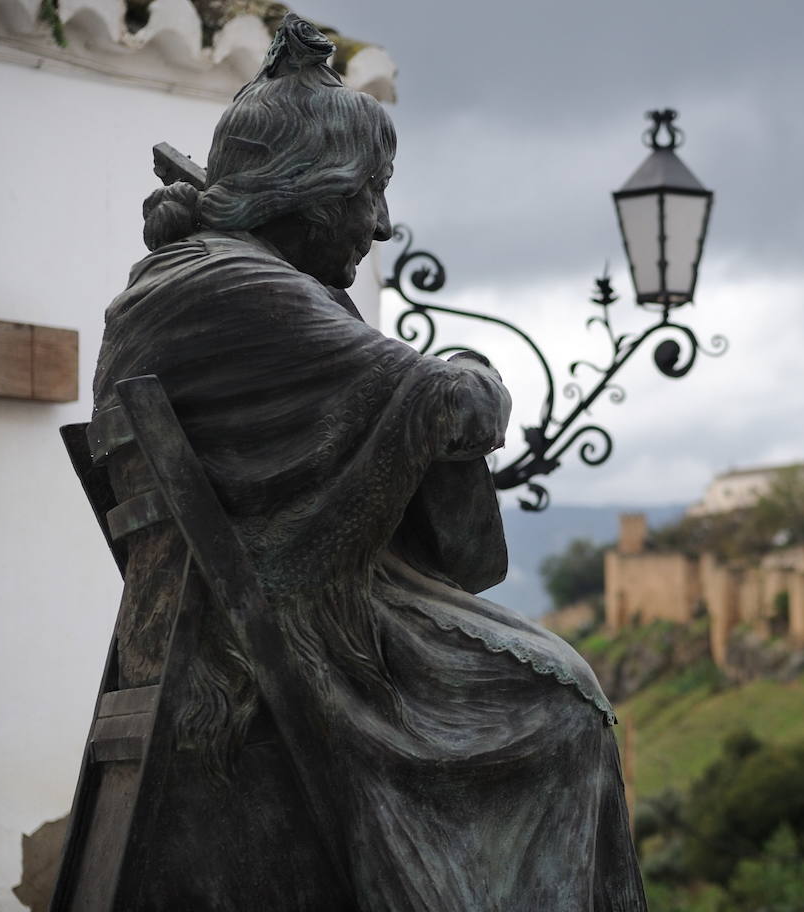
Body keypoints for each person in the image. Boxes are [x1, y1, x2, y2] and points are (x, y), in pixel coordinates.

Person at [89, 14, 645, 910]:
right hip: (298, 654)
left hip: (226, 635)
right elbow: (454, 403)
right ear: (310, 191)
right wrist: (468, 372)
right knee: (568, 706)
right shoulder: (241, 287)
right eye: (370, 192)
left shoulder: (184, 283)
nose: (381, 226)